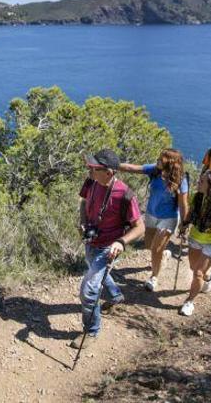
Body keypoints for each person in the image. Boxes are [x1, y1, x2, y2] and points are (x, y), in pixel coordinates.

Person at [70, 148, 145, 349]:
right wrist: (83, 223)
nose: (89, 170)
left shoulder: (125, 195)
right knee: (96, 270)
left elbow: (140, 227)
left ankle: (91, 331)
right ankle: (115, 296)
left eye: (93, 168)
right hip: (91, 243)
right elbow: (84, 201)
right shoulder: (91, 182)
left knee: (89, 290)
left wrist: (121, 242)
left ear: (109, 172)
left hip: (108, 248)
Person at [118, 149, 189, 292]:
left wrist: (184, 224)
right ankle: (164, 255)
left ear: (170, 162)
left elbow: (183, 204)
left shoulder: (181, 180)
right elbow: (131, 168)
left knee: (156, 249)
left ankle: (154, 277)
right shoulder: (155, 170)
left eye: (161, 158)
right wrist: (111, 164)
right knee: (149, 245)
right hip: (151, 214)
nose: (158, 160)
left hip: (168, 218)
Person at [176, 169, 211, 317]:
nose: (198, 182)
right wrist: (184, 224)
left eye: (202, 181)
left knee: (197, 273)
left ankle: (189, 302)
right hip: (195, 238)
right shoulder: (198, 197)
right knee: (193, 267)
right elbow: (191, 213)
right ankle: (209, 278)